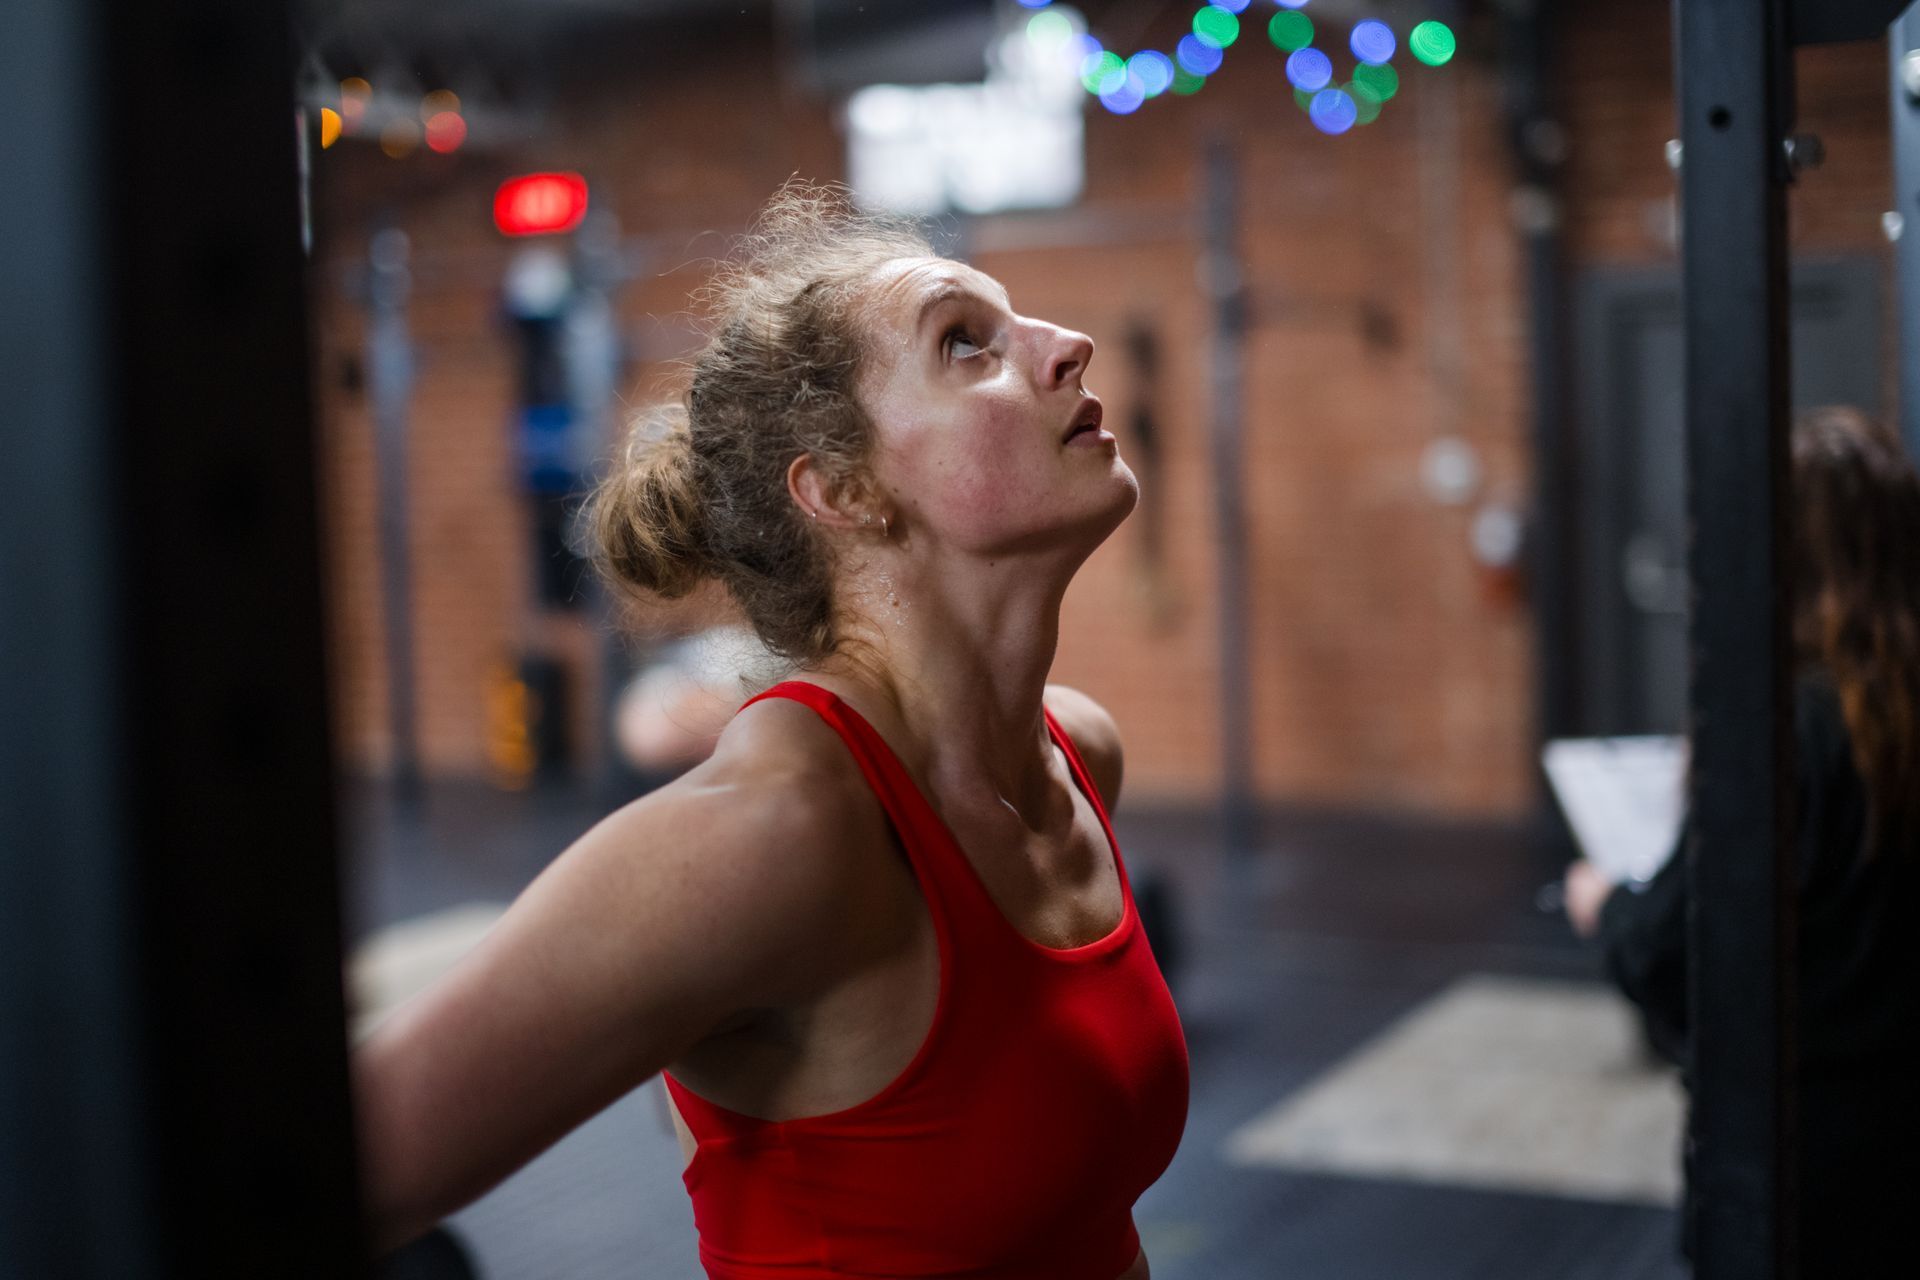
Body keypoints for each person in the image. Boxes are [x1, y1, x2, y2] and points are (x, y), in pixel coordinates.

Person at [353, 183, 1190, 1279]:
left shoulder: (1076, 757)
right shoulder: (775, 834)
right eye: (965, 344)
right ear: (843, 490)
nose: (1068, 344)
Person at [1563, 406, 1920, 1274]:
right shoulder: (1876, 711)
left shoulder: (1781, 731)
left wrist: (1606, 903)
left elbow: (1673, 949)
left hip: (1800, 1158)